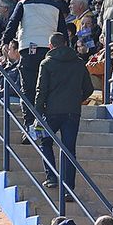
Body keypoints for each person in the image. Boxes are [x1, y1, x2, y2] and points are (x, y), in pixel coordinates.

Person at [34, 32, 95, 188]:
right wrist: (76, 100)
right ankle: (68, 188)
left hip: (51, 112)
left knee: (45, 141)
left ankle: (52, 177)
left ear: (50, 46)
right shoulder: (79, 63)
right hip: (72, 112)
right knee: (69, 150)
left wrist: (37, 113)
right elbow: (89, 89)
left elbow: (41, 91)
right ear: (66, 44)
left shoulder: (46, 63)